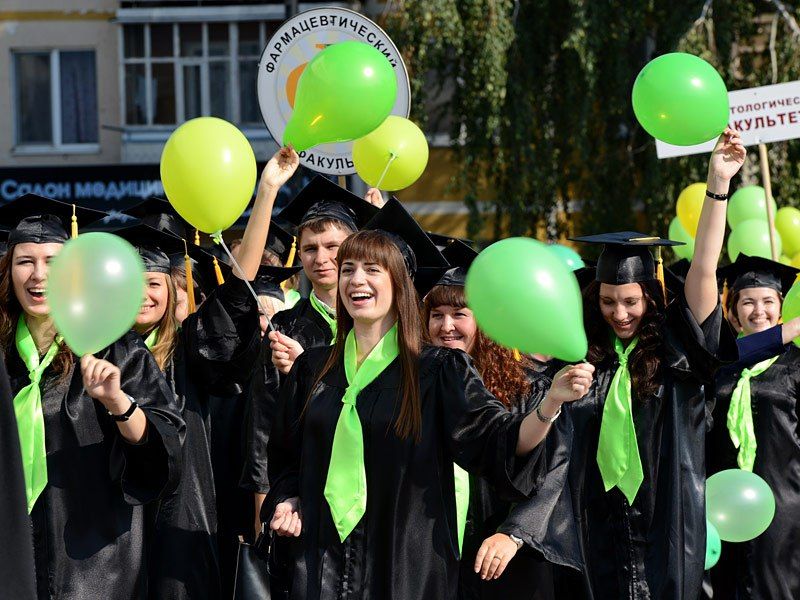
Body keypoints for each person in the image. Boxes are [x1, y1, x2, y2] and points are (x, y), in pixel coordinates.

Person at [263, 198, 595, 599]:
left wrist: (549, 404)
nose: (355, 280)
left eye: (372, 269)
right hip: (319, 565)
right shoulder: (311, 369)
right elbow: (285, 456)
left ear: (401, 283)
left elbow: (498, 442)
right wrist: (287, 498)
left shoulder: (438, 371)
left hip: (405, 567)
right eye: (348, 269)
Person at [509, 129, 744, 599]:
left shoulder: (679, 352)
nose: (620, 313)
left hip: (667, 523)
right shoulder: (576, 361)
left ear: (651, 297)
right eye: (609, 301)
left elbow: (702, 269)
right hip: (594, 528)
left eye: (631, 301)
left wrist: (717, 183)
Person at [111, 147, 299, 600]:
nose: (145, 294)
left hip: (179, 517)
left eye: (154, 283)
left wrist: (267, 191)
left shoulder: (191, 346)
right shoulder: (98, 351)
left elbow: (237, 288)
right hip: (111, 518)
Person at [0, 195, 183, 599]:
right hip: (12, 560)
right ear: (8, 271)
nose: (38, 274)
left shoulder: (115, 346)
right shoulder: (3, 355)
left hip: (95, 569)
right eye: (25, 261)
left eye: (53, 260)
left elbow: (166, 452)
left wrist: (119, 403)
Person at [241, 175, 379, 536]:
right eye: (310, 249)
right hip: (306, 497)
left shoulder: (384, 325)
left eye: (334, 246)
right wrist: (263, 523)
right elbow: (263, 428)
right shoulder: (283, 329)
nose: (322, 259)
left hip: (381, 489)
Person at [421, 238, 555, 600]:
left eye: (459, 314)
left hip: (502, 557)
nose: (446, 326)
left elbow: (553, 470)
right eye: (436, 315)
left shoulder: (525, 385)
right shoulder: (414, 384)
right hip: (431, 554)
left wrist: (514, 532)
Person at [707, 254, 800, 599]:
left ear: (781, 308)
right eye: (747, 302)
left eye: (767, 301)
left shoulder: (796, 365)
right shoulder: (718, 368)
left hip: (786, 506)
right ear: (732, 312)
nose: (758, 311)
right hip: (725, 507)